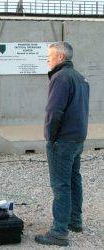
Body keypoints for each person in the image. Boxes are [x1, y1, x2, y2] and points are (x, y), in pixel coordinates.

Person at [35, 42, 89, 246]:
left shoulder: (60, 78)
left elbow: (54, 111)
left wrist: (50, 137)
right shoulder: (80, 78)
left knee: (61, 185)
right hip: (77, 138)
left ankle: (59, 232)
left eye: (49, 56)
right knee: (74, 180)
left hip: (63, 141)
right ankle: (75, 222)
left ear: (60, 58)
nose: (47, 59)